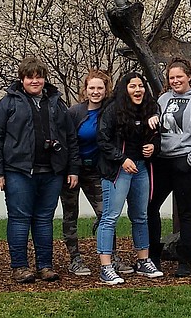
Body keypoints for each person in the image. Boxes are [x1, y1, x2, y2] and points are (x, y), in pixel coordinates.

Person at [0, 57, 80, 283]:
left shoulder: (57, 103)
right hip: (18, 172)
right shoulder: (8, 104)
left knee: (44, 219)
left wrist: (73, 169)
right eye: (30, 77)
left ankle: (45, 266)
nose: (35, 81)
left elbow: (70, 138)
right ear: (22, 79)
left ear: (45, 78)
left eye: (39, 76)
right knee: (19, 219)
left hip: (51, 172)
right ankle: (20, 267)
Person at [94, 71, 165, 285]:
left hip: (141, 168)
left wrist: (154, 146)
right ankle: (106, 266)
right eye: (133, 86)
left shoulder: (150, 109)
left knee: (140, 216)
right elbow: (103, 140)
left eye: (141, 86)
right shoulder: (112, 110)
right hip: (117, 170)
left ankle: (144, 261)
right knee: (110, 217)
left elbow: (158, 138)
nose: (138, 90)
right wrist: (122, 159)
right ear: (125, 89)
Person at [60, 69, 132, 276]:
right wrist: (71, 170)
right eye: (92, 87)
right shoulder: (75, 113)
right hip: (72, 171)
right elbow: (69, 143)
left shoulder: (110, 111)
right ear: (85, 89)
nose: (96, 91)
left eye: (100, 87)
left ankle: (112, 256)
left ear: (106, 89)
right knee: (70, 215)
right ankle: (75, 259)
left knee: (106, 214)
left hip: (97, 172)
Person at [148, 57, 191, 277]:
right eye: (171, 77)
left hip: (187, 161)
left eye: (179, 77)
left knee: (186, 212)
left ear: (189, 77)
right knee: (150, 207)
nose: (175, 81)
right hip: (162, 161)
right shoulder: (164, 98)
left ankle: (185, 260)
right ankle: (153, 256)